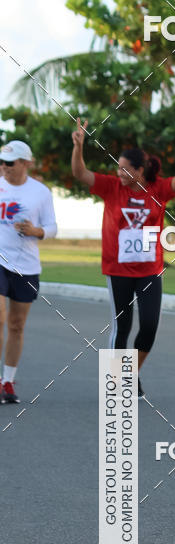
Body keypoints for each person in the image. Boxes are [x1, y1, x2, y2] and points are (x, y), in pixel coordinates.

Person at [71, 119, 175, 396]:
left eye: (126, 169)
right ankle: (116, 382)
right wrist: (78, 146)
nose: (120, 173)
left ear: (140, 171)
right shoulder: (111, 187)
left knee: (149, 326)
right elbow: (80, 173)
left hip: (149, 270)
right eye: (119, 167)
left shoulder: (159, 190)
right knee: (122, 326)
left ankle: (130, 373)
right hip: (118, 270)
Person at [0, 140, 57, 404]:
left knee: (16, 325)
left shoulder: (40, 192)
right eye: (1, 162)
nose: (4, 167)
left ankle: (8, 381)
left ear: (25, 163)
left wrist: (37, 231)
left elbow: (52, 226)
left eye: (9, 163)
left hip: (27, 267)